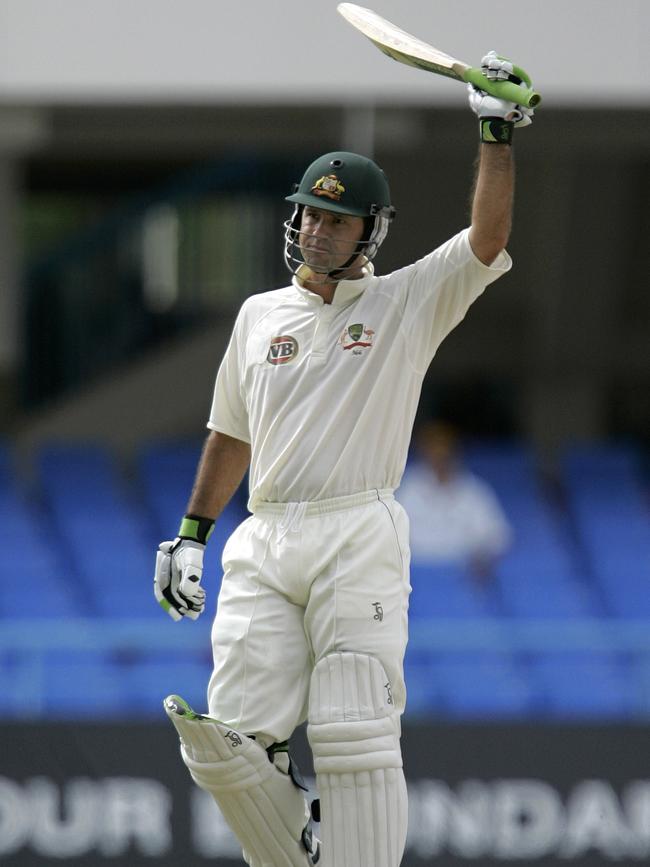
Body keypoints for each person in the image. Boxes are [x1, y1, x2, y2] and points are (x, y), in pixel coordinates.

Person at [153, 52, 533, 867]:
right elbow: (231, 430)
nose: (317, 230)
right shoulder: (259, 316)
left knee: (353, 724)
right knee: (225, 742)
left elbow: (487, 238)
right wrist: (192, 533)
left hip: (357, 528)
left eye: (336, 220)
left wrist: (495, 131)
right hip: (266, 534)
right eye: (309, 217)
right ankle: (302, 833)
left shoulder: (405, 302)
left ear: (371, 230)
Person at [398, 420, 513, 581]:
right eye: (434, 448)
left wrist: (480, 554)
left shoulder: (474, 490)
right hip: (416, 578)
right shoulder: (407, 488)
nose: (439, 454)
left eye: (444, 448)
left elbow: (498, 537)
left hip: (462, 577)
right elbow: (392, 537)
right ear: (424, 451)